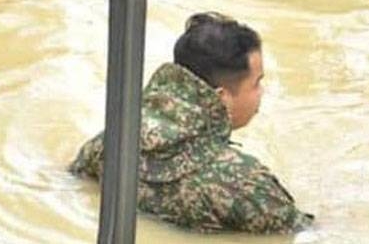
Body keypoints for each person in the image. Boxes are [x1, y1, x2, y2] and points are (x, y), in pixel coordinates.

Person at [70, 12, 314, 234]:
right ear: (221, 98)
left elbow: (75, 184)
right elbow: (303, 233)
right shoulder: (246, 186)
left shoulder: (111, 141)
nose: (262, 92)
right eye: (256, 83)